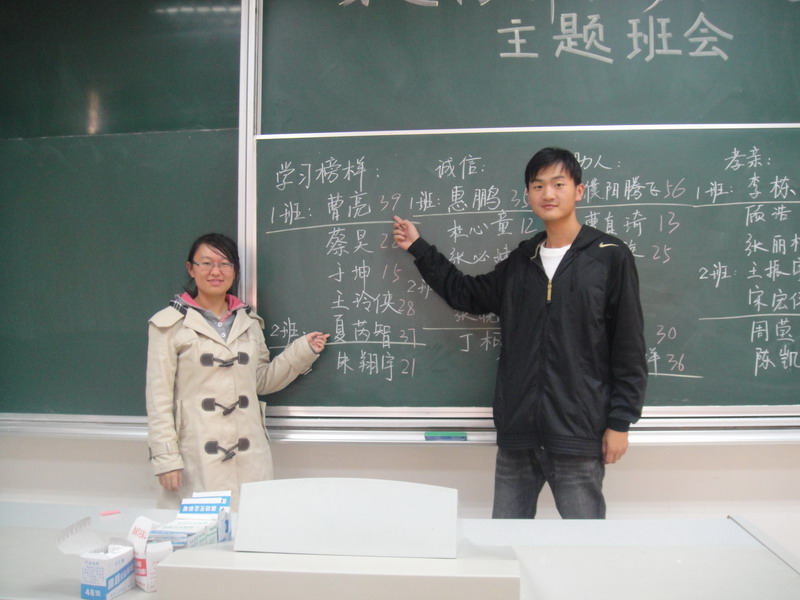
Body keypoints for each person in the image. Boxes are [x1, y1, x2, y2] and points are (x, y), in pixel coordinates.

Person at [393, 147, 647, 519]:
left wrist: (620, 423)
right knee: (504, 542)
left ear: (579, 191)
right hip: (518, 436)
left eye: (558, 184)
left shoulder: (609, 256)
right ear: (528, 195)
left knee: (588, 544)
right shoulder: (521, 262)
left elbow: (629, 344)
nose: (548, 194)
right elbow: (467, 294)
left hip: (578, 435)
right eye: (538, 185)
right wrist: (419, 249)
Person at [146, 233, 329, 509]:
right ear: (191, 269)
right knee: (201, 532)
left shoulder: (249, 322)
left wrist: (302, 351)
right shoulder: (168, 324)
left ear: (235, 270)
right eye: (206, 263)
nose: (216, 271)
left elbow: (260, 381)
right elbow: (158, 399)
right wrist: (166, 459)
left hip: (250, 456)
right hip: (196, 455)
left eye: (225, 264)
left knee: (251, 526)